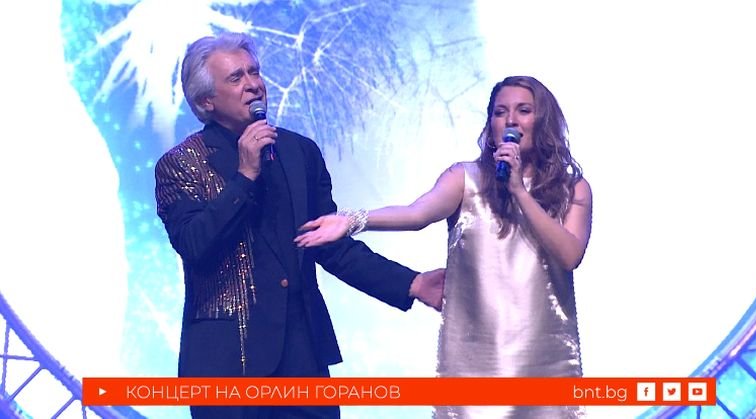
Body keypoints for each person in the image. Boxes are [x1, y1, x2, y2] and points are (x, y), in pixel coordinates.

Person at [154, 31, 444, 419]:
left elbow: (330, 244)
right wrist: (244, 176)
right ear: (206, 101)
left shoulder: (298, 152)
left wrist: (411, 283)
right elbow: (195, 244)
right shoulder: (181, 163)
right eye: (236, 77)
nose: (253, 84)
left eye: (254, 72)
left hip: (302, 357)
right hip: (227, 363)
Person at [296, 75, 592, 418]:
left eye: (523, 110)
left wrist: (520, 192)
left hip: (545, 358)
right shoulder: (466, 179)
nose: (510, 120)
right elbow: (416, 214)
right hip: (475, 360)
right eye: (500, 112)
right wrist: (353, 220)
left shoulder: (572, 188)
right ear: (491, 125)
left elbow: (569, 255)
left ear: (543, 120)